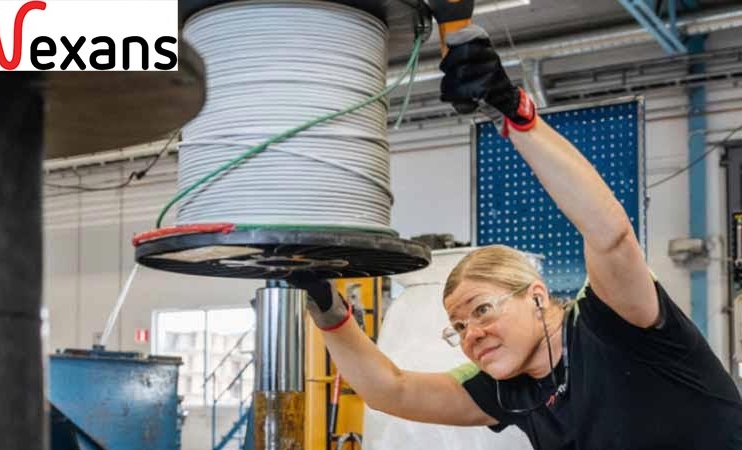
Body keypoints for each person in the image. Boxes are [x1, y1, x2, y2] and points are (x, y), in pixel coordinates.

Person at [289, 25, 742, 450]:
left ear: (538, 297)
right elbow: (394, 391)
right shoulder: (510, 390)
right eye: (460, 327)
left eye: (482, 310)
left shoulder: (610, 323)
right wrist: (326, 306)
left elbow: (610, 234)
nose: (473, 334)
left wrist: (514, 114)